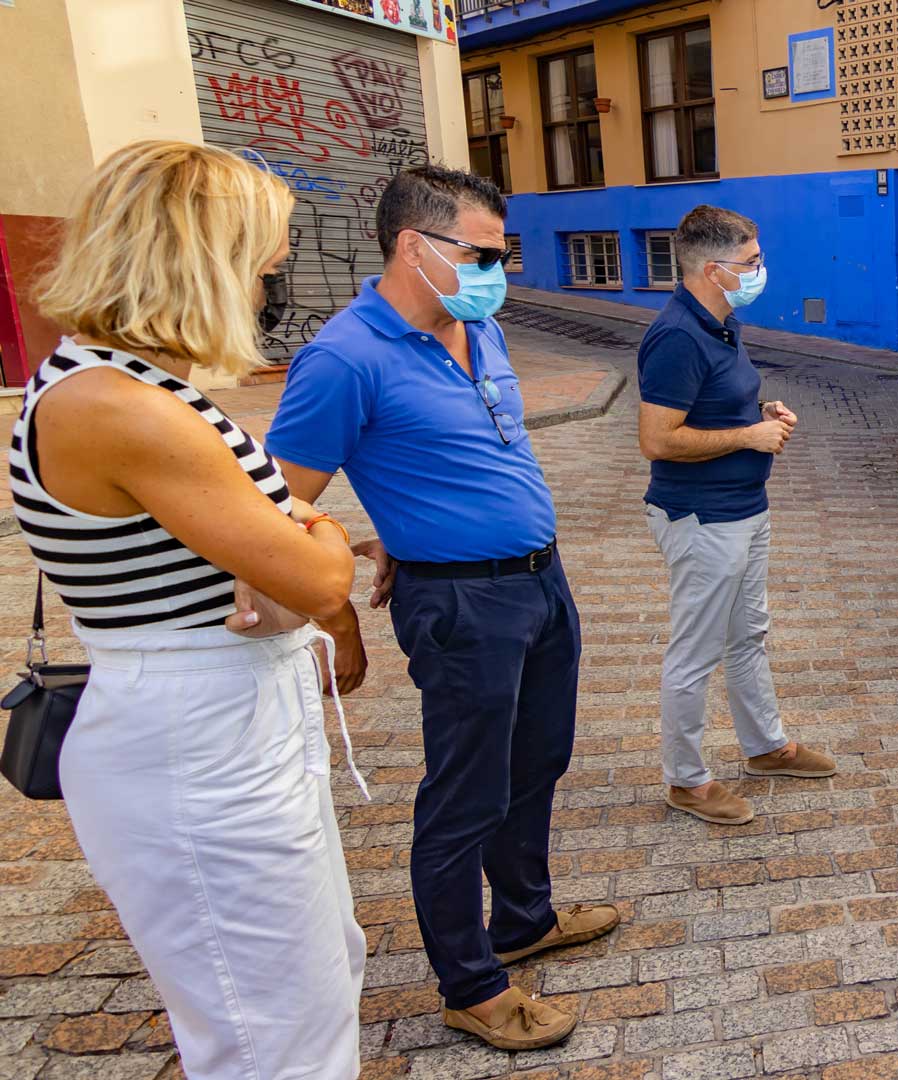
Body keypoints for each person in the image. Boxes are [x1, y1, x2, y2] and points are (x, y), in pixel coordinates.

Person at [17, 141, 361, 1078]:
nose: (269, 278)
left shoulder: (139, 387)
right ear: (202, 258)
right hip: (194, 735)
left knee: (316, 986)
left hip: (226, 719)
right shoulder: (118, 404)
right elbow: (319, 578)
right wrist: (305, 545)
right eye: (263, 257)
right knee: (271, 1033)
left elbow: (287, 542)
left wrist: (290, 541)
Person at [267, 166, 617, 1051]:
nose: (500, 269)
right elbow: (272, 505)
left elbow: (465, 454)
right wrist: (353, 575)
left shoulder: (480, 326)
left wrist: (401, 525)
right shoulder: (344, 358)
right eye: (485, 253)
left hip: (540, 582)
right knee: (465, 795)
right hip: (462, 606)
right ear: (413, 248)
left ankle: (525, 918)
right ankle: (470, 984)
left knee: (538, 763)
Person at [638, 205, 835, 827]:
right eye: (751, 263)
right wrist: (748, 437)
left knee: (748, 635)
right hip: (702, 517)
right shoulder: (677, 335)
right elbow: (658, 439)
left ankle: (766, 747)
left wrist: (760, 415)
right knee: (695, 651)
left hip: (744, 509)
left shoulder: (722, 324)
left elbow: (714, 408)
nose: (760, 271)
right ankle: (687, 780)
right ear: (714, 271)